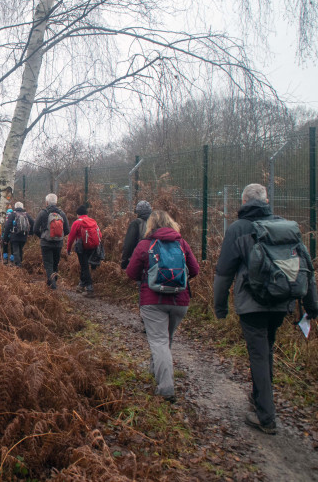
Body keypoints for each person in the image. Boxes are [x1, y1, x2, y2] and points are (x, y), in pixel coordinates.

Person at [213, 183, 318, 434]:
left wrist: (220, 307)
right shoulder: (285, 227)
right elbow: (307, 268)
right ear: (266, 201)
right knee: (266, 349)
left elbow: (223, 273)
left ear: (243, 201)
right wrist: (311, 305)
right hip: (282, 301)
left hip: (252, 305)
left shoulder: (238, 229)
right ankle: (261, 399)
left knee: (259, 354)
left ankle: (266, 416)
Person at [126, 210, 199, 403]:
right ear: (171, 223)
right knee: (166, 339)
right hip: (180, 300)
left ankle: (166, 387)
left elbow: (131, 273)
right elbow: (195, 270)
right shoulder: (182, 243)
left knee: (159, 341)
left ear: (150, 225)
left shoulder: (145, 245)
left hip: (153, 301)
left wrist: (147, 275)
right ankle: (156, 370)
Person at [33, 193, 70, 289]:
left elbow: (35, 229)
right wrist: (59, 236)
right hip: (58, 243)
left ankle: (52, 285)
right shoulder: (62, 213)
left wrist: (42, 236)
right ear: (56, 202)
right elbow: (67, 230)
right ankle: (53, 281)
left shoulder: (43, 213)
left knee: (48, 264)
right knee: (55, 263)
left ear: (46, 203)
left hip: (46, 243)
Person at [67, 205, 101, 297]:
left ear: (78, 214)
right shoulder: (92, 221)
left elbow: (71, 238)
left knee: (84, 267)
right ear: (86, 213)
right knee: (84, 266)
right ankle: (81, 285)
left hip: (81, 247)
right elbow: (99, 234)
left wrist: (68, 249)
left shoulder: (77, 223)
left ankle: (90, 289)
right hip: (93, 247)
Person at [121, 200, 152, 269]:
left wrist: (124, 261)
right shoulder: (155, 223)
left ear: (138, 212)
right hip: (154, 260)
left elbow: (129, 244)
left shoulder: (135, 223)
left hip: (140, 258)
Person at [2, 201, 34, 267]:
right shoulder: (26, 214)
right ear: (22, 207)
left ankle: (18, 266)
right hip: (24, 235)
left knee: (16, 251)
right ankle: (20, 264)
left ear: (15, 207)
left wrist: (5, 238)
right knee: (20, 250)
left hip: (14, 236)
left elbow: (7, 226)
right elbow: (33, 223)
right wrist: (30, 233)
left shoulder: (13, 214)